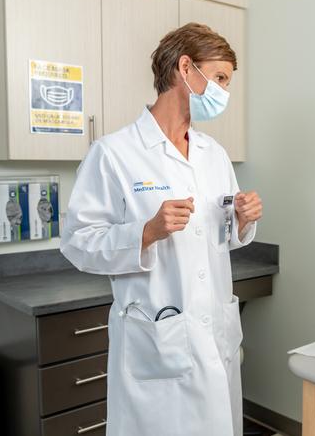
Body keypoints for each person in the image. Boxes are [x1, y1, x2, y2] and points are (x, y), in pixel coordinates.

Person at [60, 23, 263, 436]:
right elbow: (78, 243)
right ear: (184, 68)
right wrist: (146, 231)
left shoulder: (213, 154)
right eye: (220, 77)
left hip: (213, 332)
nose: (225, 91)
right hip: (156, 337)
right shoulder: (114, 153)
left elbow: (218, 234)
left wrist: (242, 220)